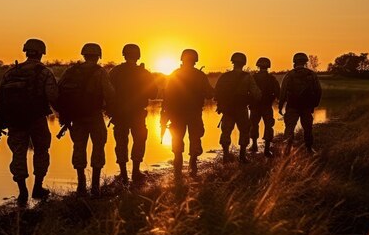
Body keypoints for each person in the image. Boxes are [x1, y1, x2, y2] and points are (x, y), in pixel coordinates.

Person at [0, 38, 58, 205]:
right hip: (37, 119)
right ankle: (38, 187)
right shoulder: (45, 72)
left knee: (18, 154)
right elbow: (54, 97)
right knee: (41, 151)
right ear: (42, 53)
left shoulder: (11, 73)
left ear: (26, 51)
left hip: (15, 121)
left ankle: (22, 192)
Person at [57, 43, 115, 197]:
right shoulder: (100, 72)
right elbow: (109, 94)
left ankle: (81, 184)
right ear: (98, 56)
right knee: (98, 146)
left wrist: (65, 114)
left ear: (84, 55)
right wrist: (112, 110)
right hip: (95, 116)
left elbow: (58, 91)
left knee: (78, 147)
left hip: (76, 118)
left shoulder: (71, 71)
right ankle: (95, 186)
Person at [109, 44, 158, 183]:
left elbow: (107, 93)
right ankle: (135, 172)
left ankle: (123, 174)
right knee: (139, 140)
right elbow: (154, 94)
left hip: (119, 115)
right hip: (137, 114)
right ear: (138, 56)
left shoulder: (115, 72)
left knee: (121, 142)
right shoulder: (144, 73)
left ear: (124, 54)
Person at [161, 49, 213, 177]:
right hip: (194, 114)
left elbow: (167, 97)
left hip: (177, 115)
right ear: (195, 60)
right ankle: (192, 165)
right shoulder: (200, 76)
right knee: (195, 138)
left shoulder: (174, 74)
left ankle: (178, 168)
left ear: (182, 59)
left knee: (177, 141)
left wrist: (165, 116)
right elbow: (209, 94)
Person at [215, 53, 260, 163]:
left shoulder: (225, 77)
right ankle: (242, 156)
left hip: (228, 110)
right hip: (241, 110)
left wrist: (222, 105)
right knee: (244, 131)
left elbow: (217, 93)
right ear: (244, 63)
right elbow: (257, 94)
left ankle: (225, 155)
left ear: (233, 62)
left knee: (226, 132)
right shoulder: (247, 77)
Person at [278, 52, 322, 154]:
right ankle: (309, 148)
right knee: (307, 128)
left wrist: (280, 107)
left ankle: (287, 149)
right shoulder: (311, 75)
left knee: (289, 128)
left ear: (294, 62)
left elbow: (283, 92)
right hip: (306, 107)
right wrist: (314, 104)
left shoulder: (289, 75)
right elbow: (318, 91)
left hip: (292, 106)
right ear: (305, 62)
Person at [250, 57, 280, 157]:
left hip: (254, 106)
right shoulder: (271, 79)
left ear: (258, 66)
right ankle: (266, 150)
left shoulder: (253, 77)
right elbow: (278, 93)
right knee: (268, 126)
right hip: (267, 106)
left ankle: (254, 145)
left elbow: (247, 92)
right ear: (268, 66)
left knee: (253, 125)